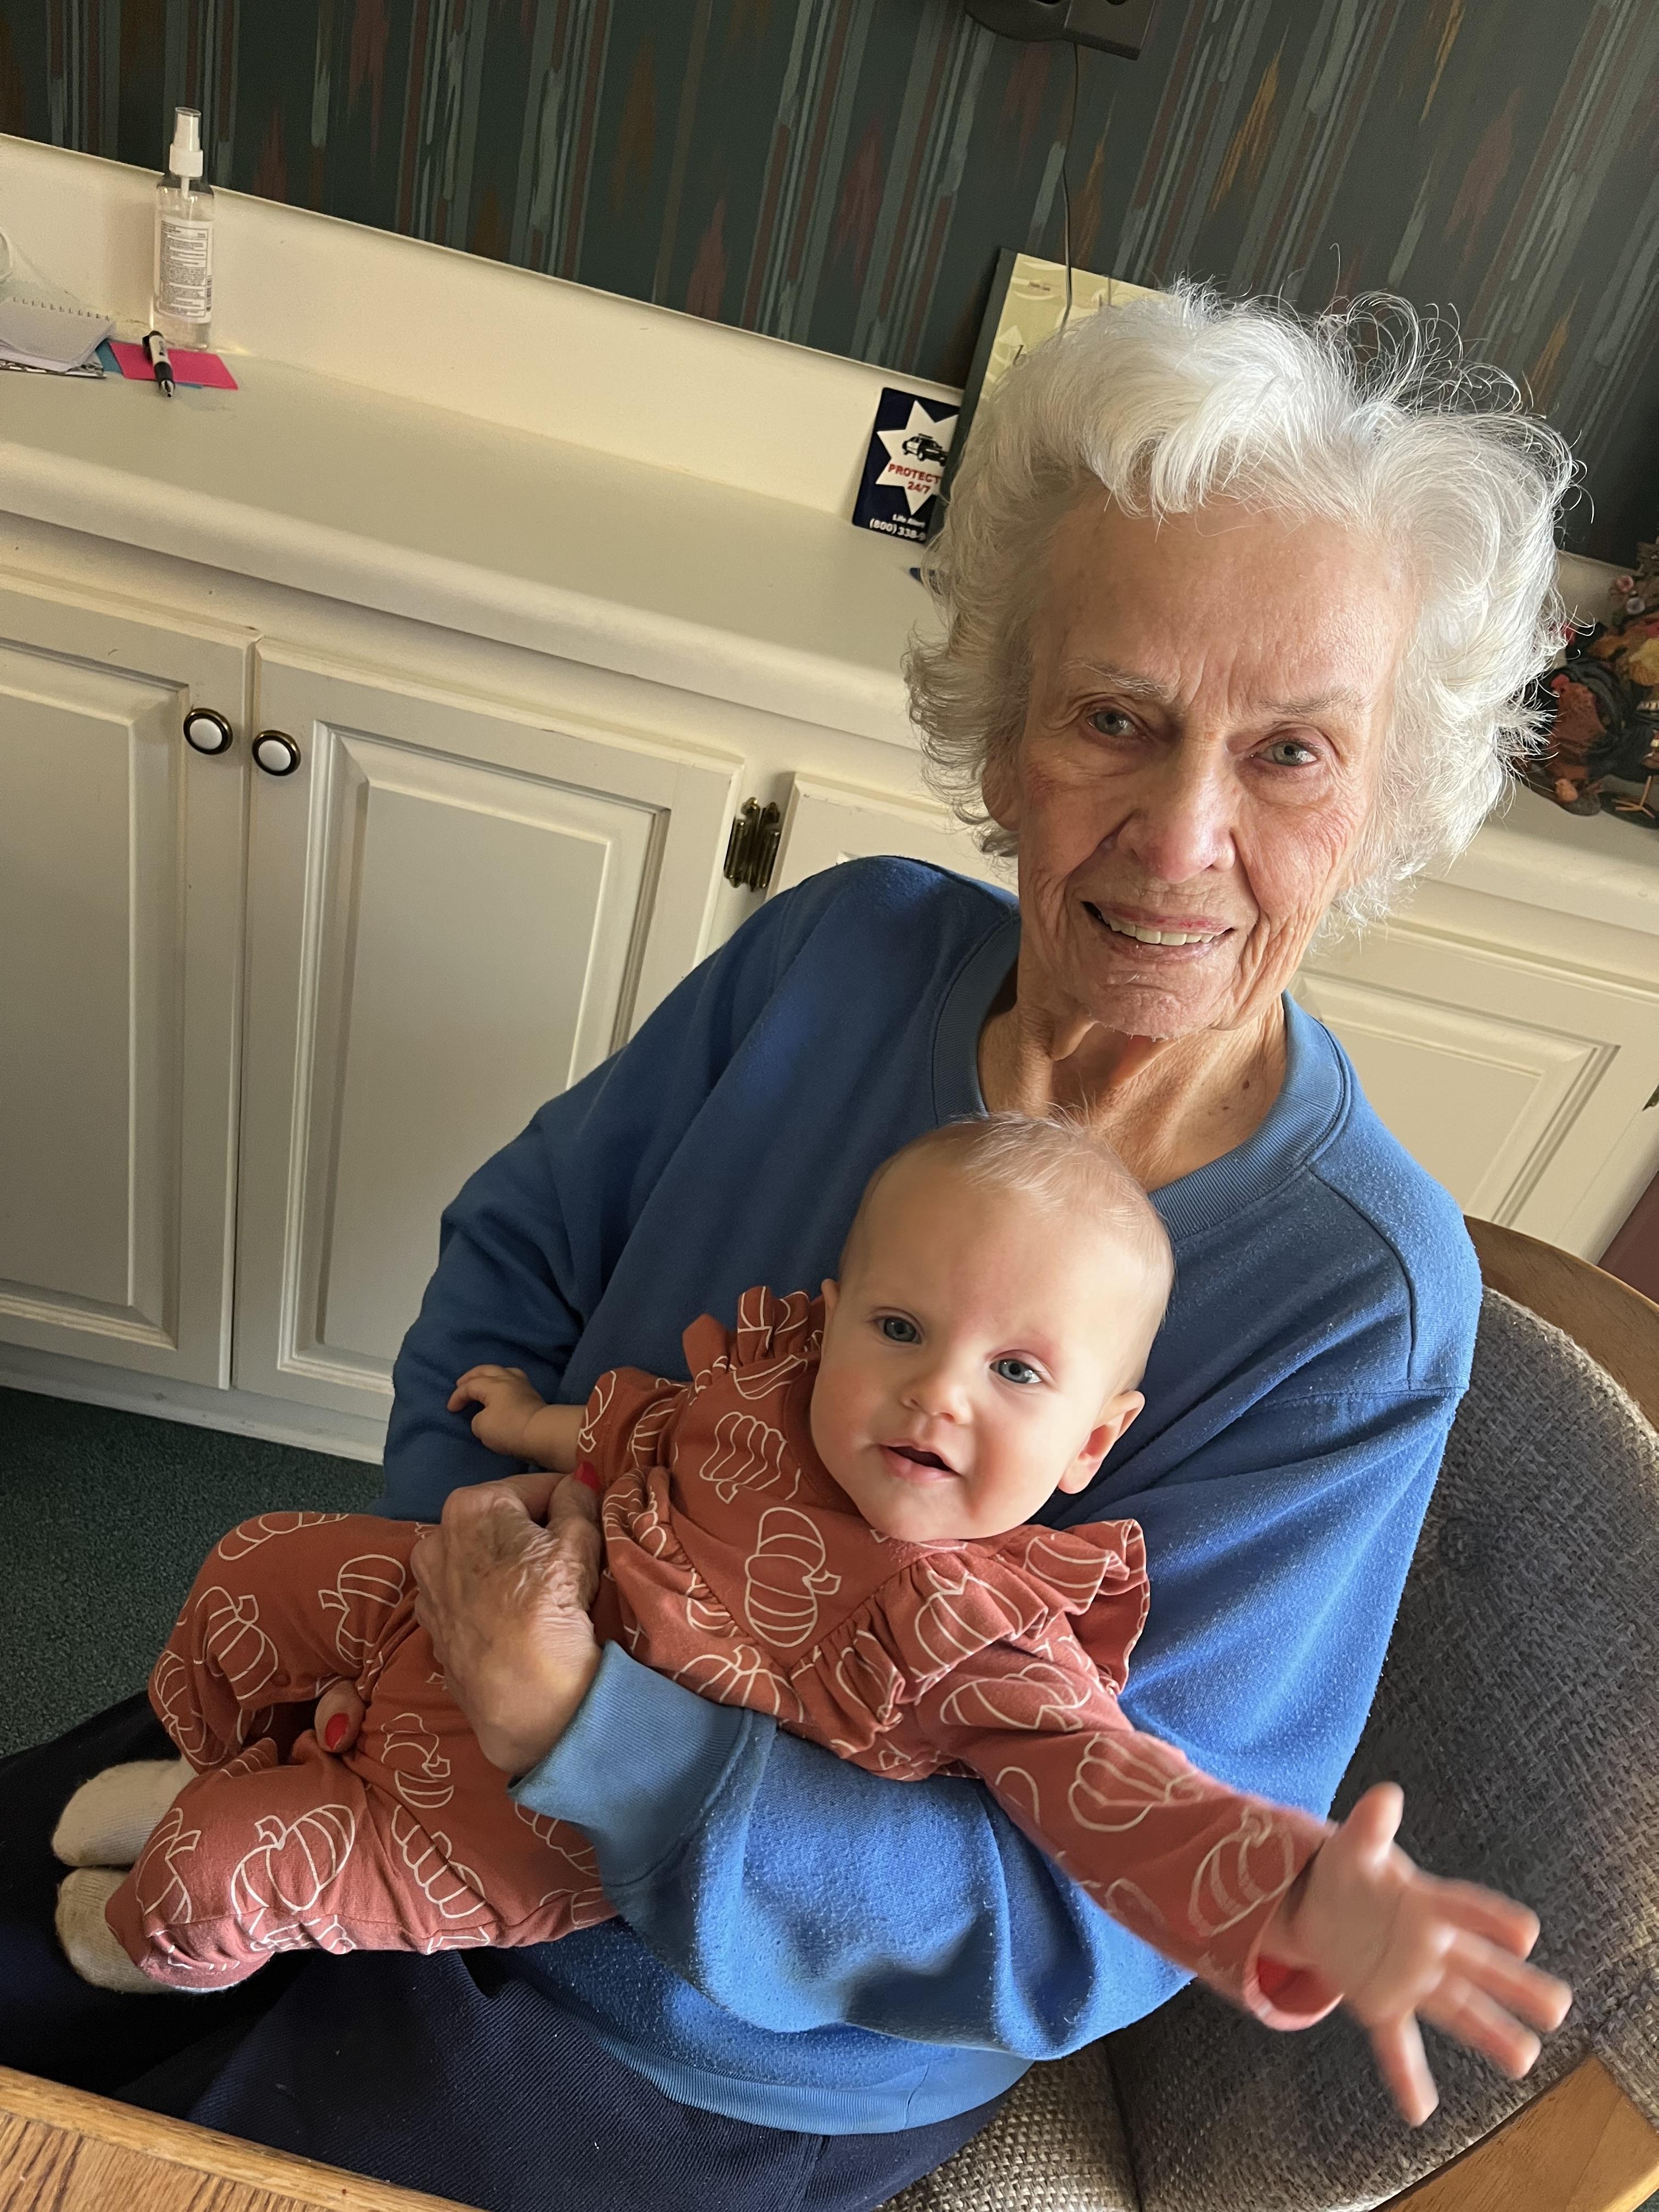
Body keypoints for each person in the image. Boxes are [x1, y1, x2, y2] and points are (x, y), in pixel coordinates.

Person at [0, 281, 1576, 2212]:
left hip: (696, 2022)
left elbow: (1084, 1918)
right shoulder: (840, 955)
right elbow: (515, 1267)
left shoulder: (1356, 1297)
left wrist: (586, 1737)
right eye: (1115, 718)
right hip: (402, 1680)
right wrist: (461, 1602)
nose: (1180, 839)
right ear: (1002, 731)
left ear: (1387, 802)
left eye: (1291, 756)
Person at [57, 1117, 1572, 2134]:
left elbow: (1131, 1811)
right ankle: (227, 1760)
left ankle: (154, 1932)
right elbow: (639, 1430)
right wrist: (529, 1421)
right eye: (903, 1330)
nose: (937, 1391)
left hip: (507, 1828)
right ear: (839, 1316)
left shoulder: (983, 1636)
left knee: (220, 1876)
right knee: (251, 1567)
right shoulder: (778, 1402)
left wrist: (1299, 1898)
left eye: (1019, 1374)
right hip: (445, 1612)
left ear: (1096, 1447)